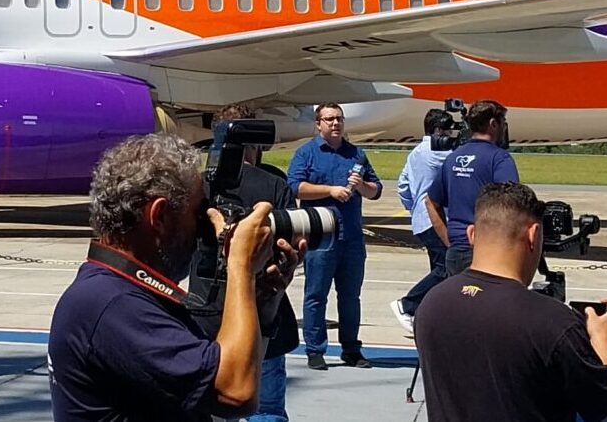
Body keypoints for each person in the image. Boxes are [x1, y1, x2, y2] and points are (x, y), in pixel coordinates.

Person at [50, 135, 301, 422]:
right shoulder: (113, 304)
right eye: (197, 213)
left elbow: (212, 390)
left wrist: (261, 301)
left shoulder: (116, 291)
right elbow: (235, 393)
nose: (202, 231)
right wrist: (239, 264)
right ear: (159, 215)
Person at [415, 182, 607, 422]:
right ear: (533, 235)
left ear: (472, 235)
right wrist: (602, 340)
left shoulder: (432, 303)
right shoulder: (551, 321)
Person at [187, 106, 300, 422]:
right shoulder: (273, 185)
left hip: (202, 312)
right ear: (254, 141)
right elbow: (289, 247)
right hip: (261, 309)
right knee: (266, 408)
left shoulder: (200, 184)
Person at [284, 102, 382, 369]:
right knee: (316, 294)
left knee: (350, 296)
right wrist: (330, 190)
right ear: (318, 124)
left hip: (351, 237)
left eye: (339, 119)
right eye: (329, 119)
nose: (335, 123)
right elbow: (296, 187)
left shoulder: (356, 154)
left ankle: (351, 348)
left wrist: (361, 185)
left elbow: (376, 190)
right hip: (320, 237)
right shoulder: (307, 154)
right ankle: (315, 350)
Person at [423, 101, 518, 280]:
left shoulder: (453, 157)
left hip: (456, 252)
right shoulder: (499, 158)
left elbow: (430, 202)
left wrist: (450, 241)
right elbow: (511, 203)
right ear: (493, 124)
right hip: (486, 252)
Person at [390, 112, 456, 336]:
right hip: (436, 218)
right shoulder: (441, 153)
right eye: (447, 130)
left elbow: (403, 185)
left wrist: (413, 209)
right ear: (438, 130)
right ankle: (408, 304)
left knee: (438, 269)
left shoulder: (416, 152)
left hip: (421, 218)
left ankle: (430, 315)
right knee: (445, 268)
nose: (450, 135)